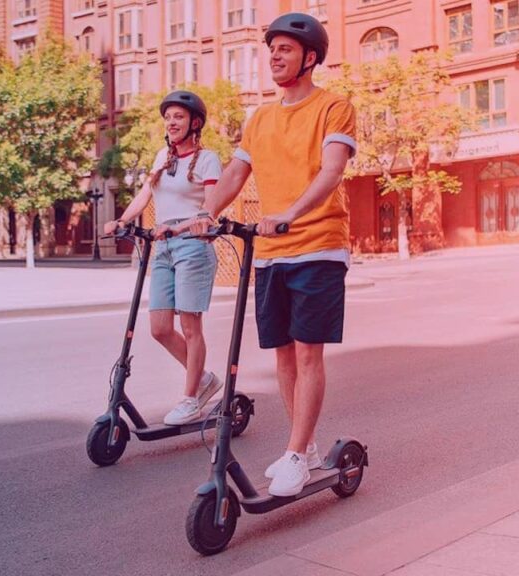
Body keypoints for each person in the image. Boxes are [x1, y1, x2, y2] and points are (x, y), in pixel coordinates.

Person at [183, 13, 356, 497]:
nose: (275, 57)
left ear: (311, 57)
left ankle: (296, 455)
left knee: (306, 353)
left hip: (318, 245)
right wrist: (207, 213)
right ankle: (306, 447)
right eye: (272, 49)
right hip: (270, 253)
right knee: (281, 355)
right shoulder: (260, 117)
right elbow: (237, 173)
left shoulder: (334, 107)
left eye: (285, 49)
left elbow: (332, 172)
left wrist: (290, 213)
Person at [104, 90, 224, 426]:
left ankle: (190, 399)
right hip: (163, 246)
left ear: (194, 123)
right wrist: (123, 221)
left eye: (179, 117)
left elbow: (209, 209)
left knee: (190, 326)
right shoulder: (162, 157)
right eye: (168, 117)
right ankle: (203, 380)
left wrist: (181, 228)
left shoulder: (208, 160)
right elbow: (145, 195)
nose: (171, 122)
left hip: (192, 246)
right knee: (159, 328)